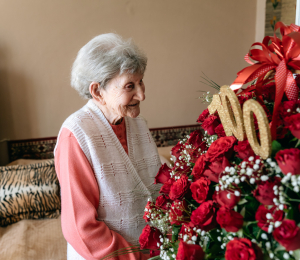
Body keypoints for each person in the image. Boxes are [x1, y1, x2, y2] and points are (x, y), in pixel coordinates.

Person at [54, 33, 161, 260]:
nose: (142, 94)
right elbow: (81, 229)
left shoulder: (138, 124)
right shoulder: (75, 135)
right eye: (129, 85)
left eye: (141, 81)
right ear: (97, 91)